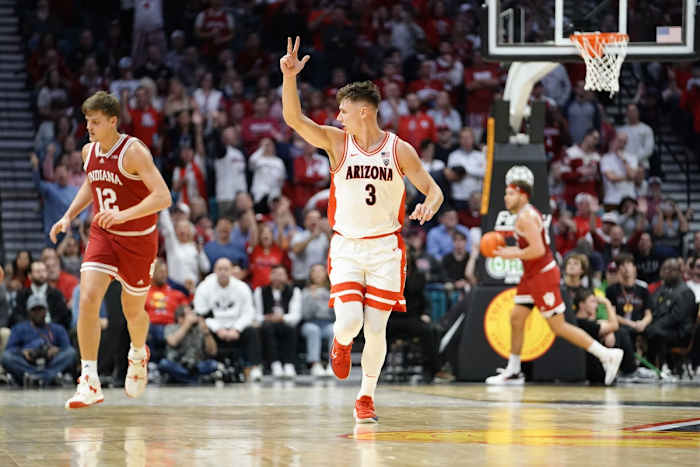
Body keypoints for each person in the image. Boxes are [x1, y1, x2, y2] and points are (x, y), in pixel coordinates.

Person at [280, 36, 443, 423]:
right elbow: (294, 120)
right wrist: (289, 78)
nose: (338, 117)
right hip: (348, 246)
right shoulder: (338, 143)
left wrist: (429, 205)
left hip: (386, 248)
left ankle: (365, 397)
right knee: (351, 322)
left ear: (365, 112)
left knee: (376, 328)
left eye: (344, 111)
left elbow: (433, 189)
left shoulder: (399, 149)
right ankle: (339, 341)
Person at [48, 91, 172, 409]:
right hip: (103, 235)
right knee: (88, 297)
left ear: (113, 121)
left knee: (133, 312)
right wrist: (68, 216)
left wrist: (123, 215)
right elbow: (93, 183)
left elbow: (163, 197)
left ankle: (137, 352)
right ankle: (89, 379)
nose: (88, 127)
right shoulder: (89, 151)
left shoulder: (134, 151)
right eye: (87, 121)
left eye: (95, 122)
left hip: (138, 239)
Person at [485, 166, 623, 386]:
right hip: (531, 275)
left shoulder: (525, 218)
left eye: (510, 193)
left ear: (522, 195)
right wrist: (516, 253)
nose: (505, 197)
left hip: (541, 276)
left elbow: (538, 250)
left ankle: (606, 355)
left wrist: (513, 253)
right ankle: (513, 370)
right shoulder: (526, 213)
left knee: (559, 327)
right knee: (516, 318)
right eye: (505, 193)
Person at [1, 294, 76, 386]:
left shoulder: (57, 329)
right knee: (6, 357)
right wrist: (23, 352)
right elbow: (10, 349)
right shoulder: (19, 328)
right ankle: (47, 377)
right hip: (27, 363)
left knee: (71, 353)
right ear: (28, 311)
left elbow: (67, 348)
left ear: (46, 310)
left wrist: (56, 350)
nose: (38, 313)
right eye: (34, 310)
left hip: (51, 362)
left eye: (40, 309)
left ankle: (35, 377)